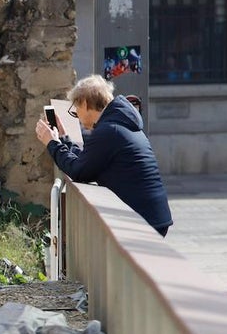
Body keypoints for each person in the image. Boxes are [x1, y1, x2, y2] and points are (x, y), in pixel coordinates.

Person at [35, 75, 172, 237]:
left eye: (76, 109)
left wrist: (52, 143)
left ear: (85, 103)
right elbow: (89, 160)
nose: (77, 116)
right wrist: (63, 140)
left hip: (144, 219)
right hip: (152, 214)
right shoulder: (117, 123)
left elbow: (79, 171)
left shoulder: (108, 130)